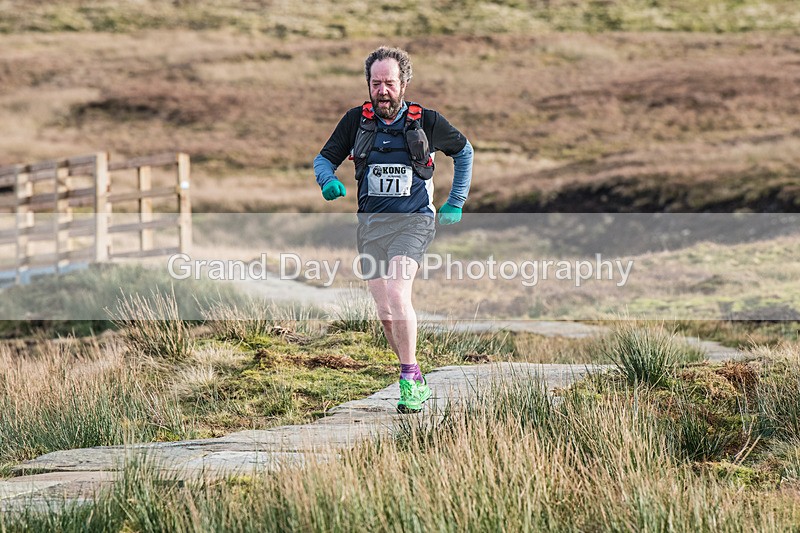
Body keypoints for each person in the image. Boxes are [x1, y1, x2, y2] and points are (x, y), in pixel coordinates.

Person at [313, 46, 473, 413]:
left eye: (389, 83)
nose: (382, 91)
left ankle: (409, 380)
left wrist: (456, 200)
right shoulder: (355, 121)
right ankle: (411, 370)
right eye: (376, 83)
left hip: (414, 221)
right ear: (368, 84)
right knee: (385, 311)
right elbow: (324, 159)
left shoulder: (427, 121)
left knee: (398, 293)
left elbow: (464, 152)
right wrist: (327, 181)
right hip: (371, 226)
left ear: (404, 84)